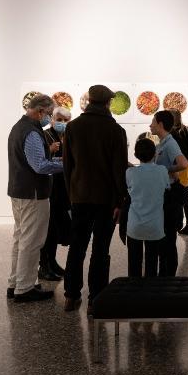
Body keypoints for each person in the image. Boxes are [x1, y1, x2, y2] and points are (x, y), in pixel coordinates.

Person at [61, 85, 128, 313]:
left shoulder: (73, 127)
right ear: (108, 103)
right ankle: (95, 299)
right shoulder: (114, 130)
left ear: (89, 101)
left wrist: (71, 193)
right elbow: (118, 170)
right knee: (101, 249)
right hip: (106, 199)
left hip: (79, 196)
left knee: (77, 247)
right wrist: (120, 201)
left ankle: (71, 295)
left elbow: (67, 165)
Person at [5, 94, 62, 302]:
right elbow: (40, 166)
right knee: (31, 241)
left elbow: (35, 159)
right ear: (40, 111)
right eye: (48, 114)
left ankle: (15, 283)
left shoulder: (18, 127)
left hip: (19, 191)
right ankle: (25, 288)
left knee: (20, 239)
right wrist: (67, 165)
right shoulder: (31, 132)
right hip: (33, 194)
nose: (49, 119)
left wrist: (54, 158)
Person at [150, 110, 188, 276]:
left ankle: (168, 278)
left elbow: (183, 164)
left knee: (168, 240)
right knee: (164, 240)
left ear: (160, 124)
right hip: (163, 197)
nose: (150, 125)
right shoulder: (162, 143)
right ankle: (164, 276)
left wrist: (164, 169)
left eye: (153, 122)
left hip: (170, 198)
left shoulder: (170, 143)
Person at [121, 138, 170, 277]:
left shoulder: (130, 173)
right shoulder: (162, 171)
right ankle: (150, 295)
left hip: (134, 225)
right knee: (152, 264)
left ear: (136, 155)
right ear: (155, 154)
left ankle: (134, 295)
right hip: (155, 226)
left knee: (134, 264)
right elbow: (167, 187)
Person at [38, 106, 71, 282]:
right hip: (50, 189)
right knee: (48, 229)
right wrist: (49, 150)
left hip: (63, 190)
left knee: (57, 228)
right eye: (59, 119)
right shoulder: (45, 135)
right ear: (53, 119)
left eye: (66, 120)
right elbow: (40, 161)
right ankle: (44, 265)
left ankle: (52, 261)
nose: (62, 123)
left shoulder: (67, 136)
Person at [170, 110, 188, 237]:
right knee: (185, 196)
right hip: (187, 166)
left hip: (177, 167)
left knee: (175, 195)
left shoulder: (171, 132)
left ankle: (176, 223)